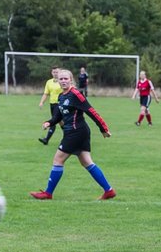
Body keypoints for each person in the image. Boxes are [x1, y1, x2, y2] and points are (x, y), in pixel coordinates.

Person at [30, 69, 116, 201]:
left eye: (66, 78)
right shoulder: (61, 96)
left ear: (71, 80)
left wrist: (103, 128)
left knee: (58, 160)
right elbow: (58, 116)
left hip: (76, 132)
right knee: (87, 162)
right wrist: (49, 122)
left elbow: (90, 111)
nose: (63, 81)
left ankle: (48, 193)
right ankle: (109, 190)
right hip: (75, 132)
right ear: (57, 81)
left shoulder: (76, 94)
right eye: (61, 79)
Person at [37, 66, 62, 145]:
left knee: (54, 121)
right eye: (54, 72)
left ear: (60, 72)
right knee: (60, 122)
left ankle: (46, 139)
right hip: (52, 104)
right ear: (51, 73)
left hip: (60, 104)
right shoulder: (49, 82)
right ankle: (70, 137)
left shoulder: (62, 81)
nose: (55, 74)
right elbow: (46, 94)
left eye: (57, 72)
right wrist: (41, 102)